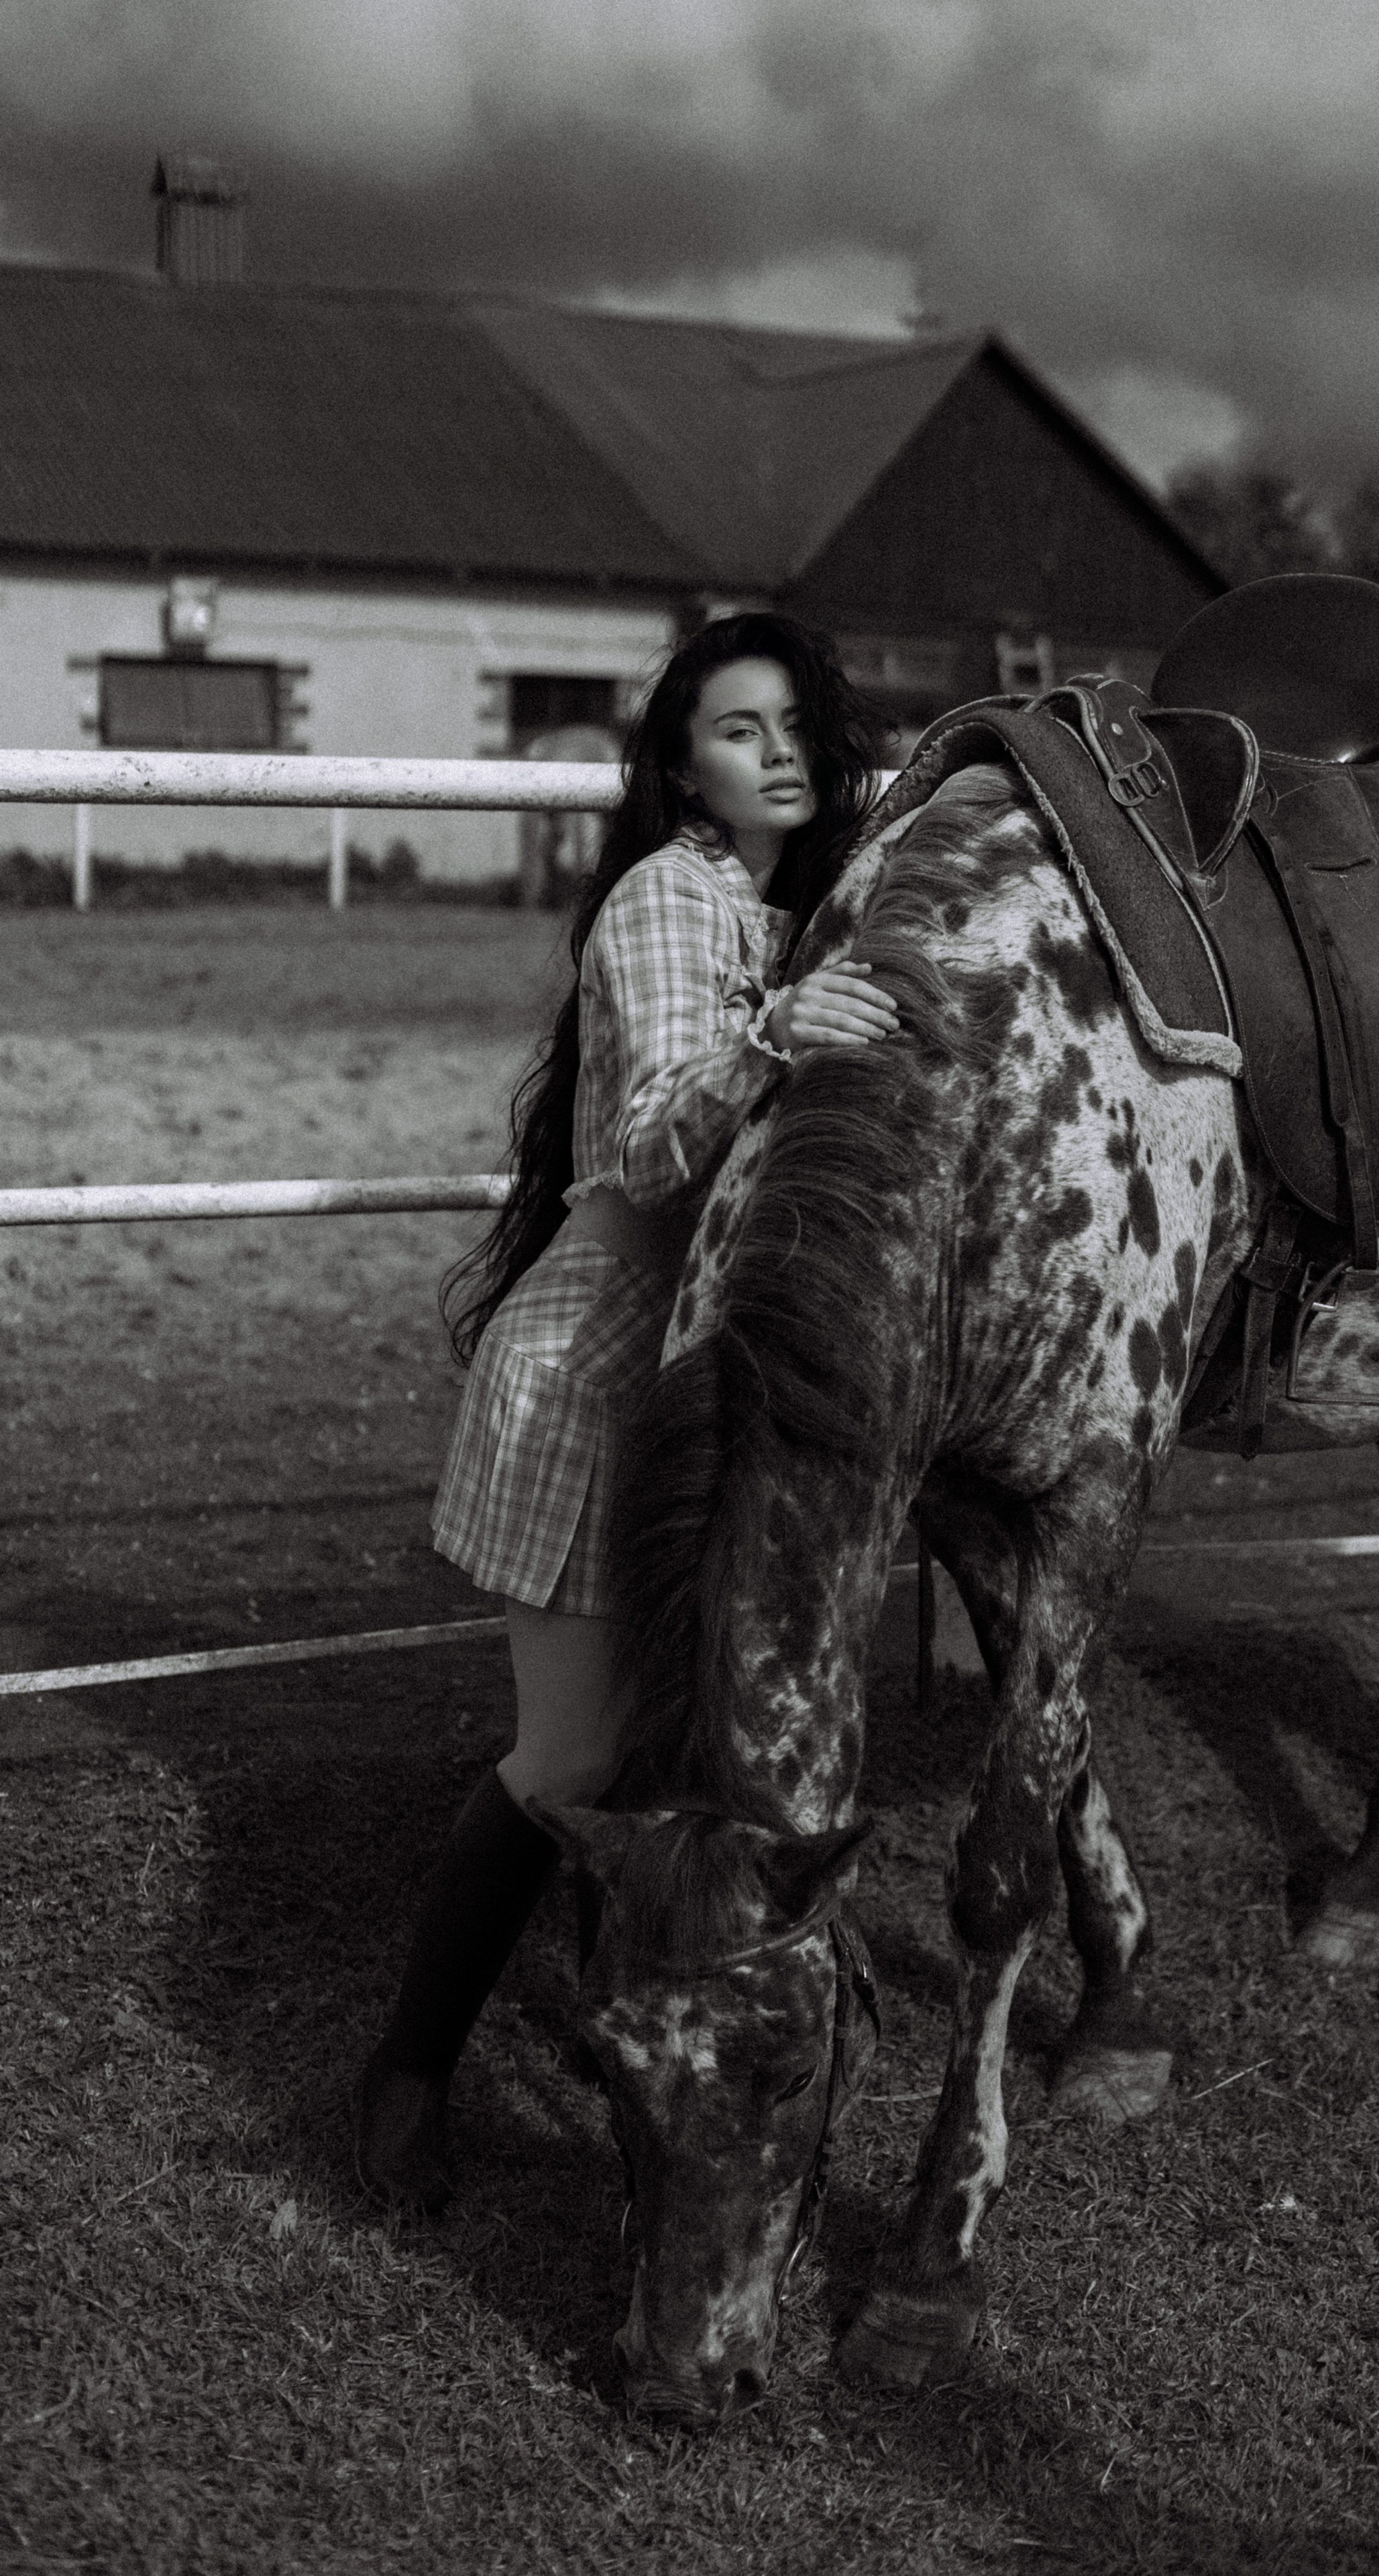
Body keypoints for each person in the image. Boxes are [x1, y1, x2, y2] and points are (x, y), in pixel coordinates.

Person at [355, 613, 897, 2209]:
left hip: (691, 1371)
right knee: (574, 1747)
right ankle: (408, 2064)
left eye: (798, 722)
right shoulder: (675, 899)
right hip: (599, 1365)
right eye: (740, 728)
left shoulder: (782, 913)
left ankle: (641, 2031)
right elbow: (660, 1142)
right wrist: (776, 1037)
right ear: (677, 764)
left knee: (672, 1744)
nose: (780, 750)